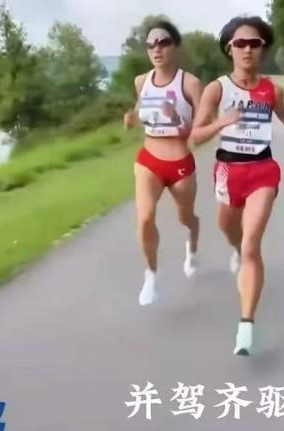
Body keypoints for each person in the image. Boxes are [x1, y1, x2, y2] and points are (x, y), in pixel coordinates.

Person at [190, 16, 284, 355]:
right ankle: (237, 250)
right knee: (228, 228)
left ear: (263, 49)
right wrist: (223, 121)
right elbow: (196, 136)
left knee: (252, 245)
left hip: (263, 171)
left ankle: (246, 326)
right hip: (228, 171)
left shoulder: (271, 91)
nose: (248, 49)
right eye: (241, 43)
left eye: (255, 43)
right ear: (229, 49)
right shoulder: (217, 89)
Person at [123, 20, 204, 306]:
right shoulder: (141, 81)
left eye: (163, 42)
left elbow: (201, 132)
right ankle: (151, 277)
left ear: (175, 47)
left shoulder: (190, 84)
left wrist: (177, 119)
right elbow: (140, 111)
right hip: (149, 160)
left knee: (186, 218)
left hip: (180, 163)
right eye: (150, 44)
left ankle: (192, 244)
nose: (156, 49)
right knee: (145, 219)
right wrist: (131, 119)